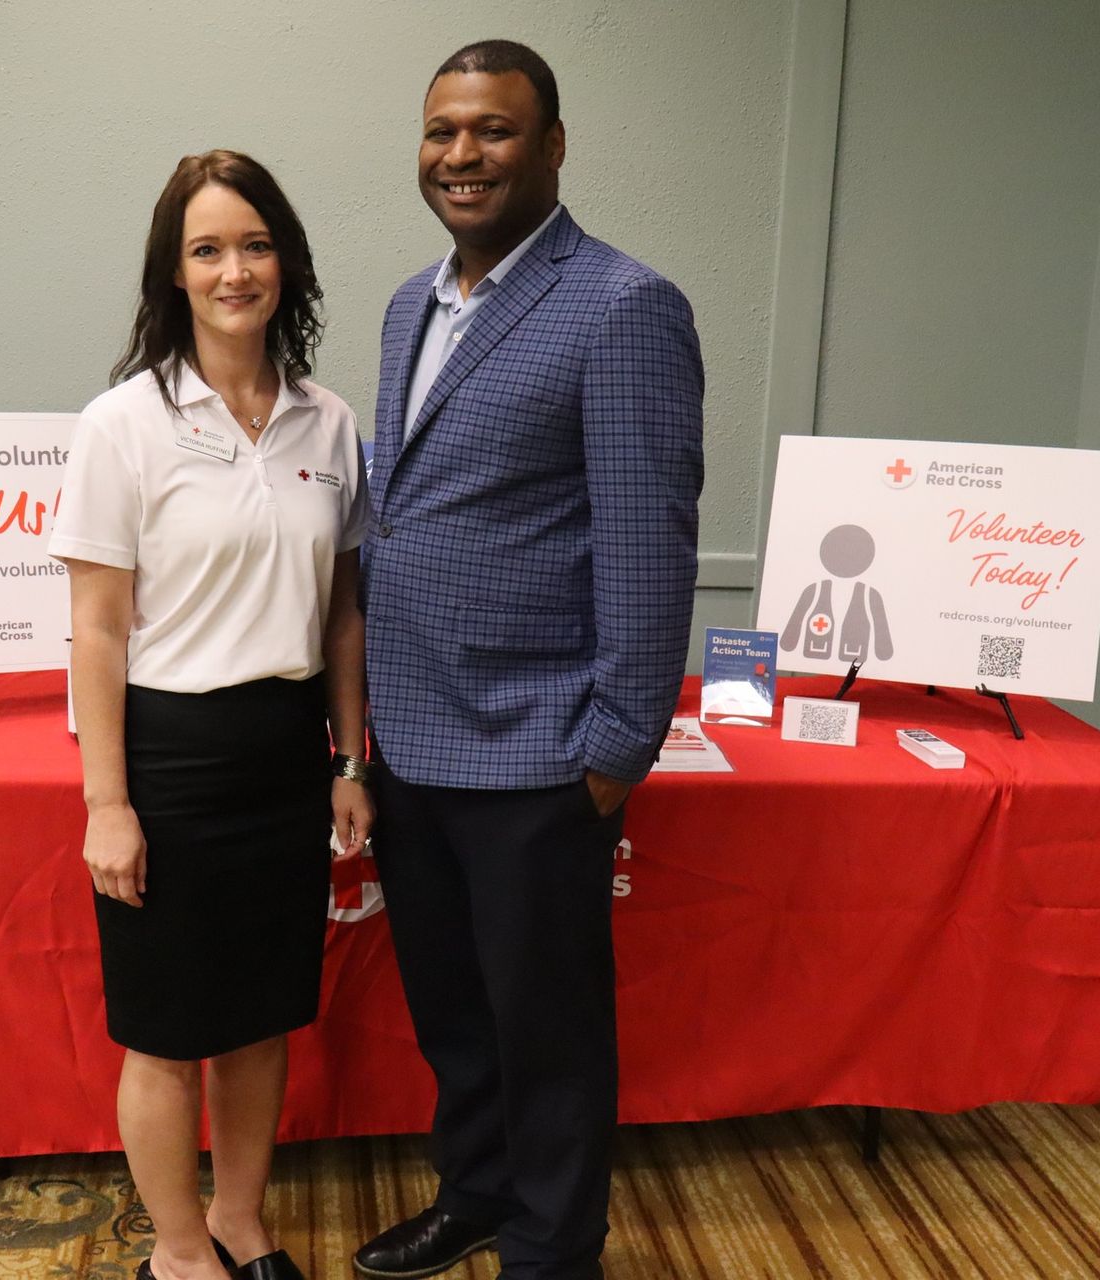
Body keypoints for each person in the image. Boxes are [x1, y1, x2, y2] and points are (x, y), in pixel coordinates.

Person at [354, 41, 705, 1280]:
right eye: (443, 128)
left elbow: (649, 544)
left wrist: (614, 753)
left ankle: (555, 1253)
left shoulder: (622, 305)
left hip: (541, 751)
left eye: (495, 131)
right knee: (457, 1017)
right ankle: (480, 1194)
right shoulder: (411, 304)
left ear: (553, 146)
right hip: (414, 738)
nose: (463, 154)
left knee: (548, 1033)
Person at [48, 150, 371, 1280]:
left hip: (285, 757)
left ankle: (241, 1218)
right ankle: (181, 1252)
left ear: (285, 261)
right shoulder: (121, 424)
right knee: (166, 1030)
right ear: (172, 275)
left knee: (259, 1019)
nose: (235, 269)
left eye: (255, 244)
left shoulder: (329, 426)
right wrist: (108, 803)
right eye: (207, 249)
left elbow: (339, 613)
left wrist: (348, 756)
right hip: (170, 757)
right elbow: (96, 627)